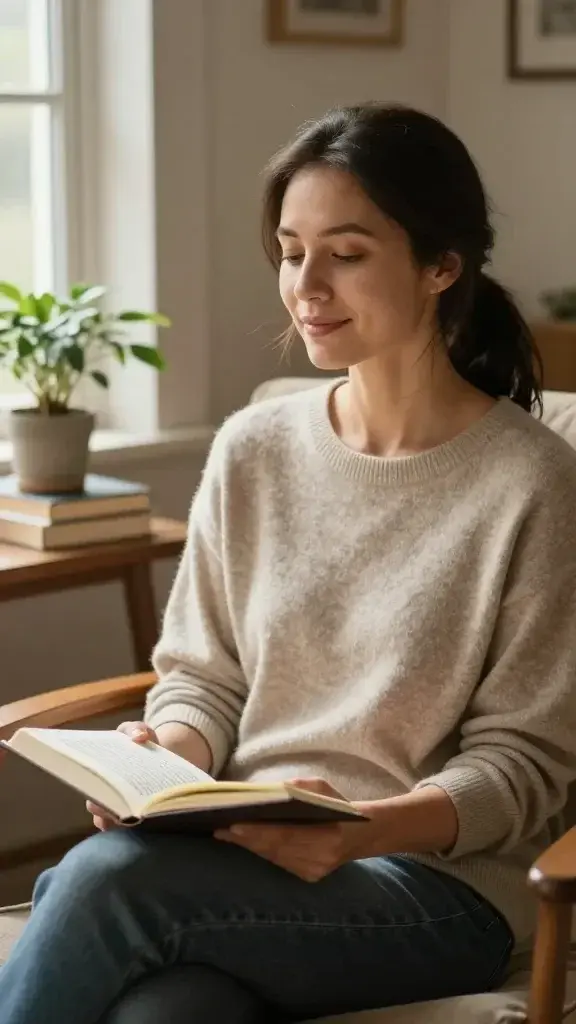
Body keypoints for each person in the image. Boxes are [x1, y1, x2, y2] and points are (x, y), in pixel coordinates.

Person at [2, 102, 576, 1024]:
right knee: (168, 1013)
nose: (306, 283)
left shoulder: (535, 481)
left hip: (431, 888)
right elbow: (202, 678)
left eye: (346, 253)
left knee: (105, 881)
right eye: (290, 249)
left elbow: (525, 765)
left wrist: (358, 833)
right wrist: (165, 766)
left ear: (441, 265)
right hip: (237, 860)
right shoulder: (254, 446)